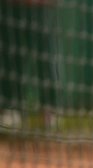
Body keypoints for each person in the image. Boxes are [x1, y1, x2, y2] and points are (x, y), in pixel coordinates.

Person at [0, 0, 57, 130]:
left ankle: (49, 112)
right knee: (12, 58)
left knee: (45, 59)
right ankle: (10, 111)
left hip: (41, 8)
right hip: (13, 7)